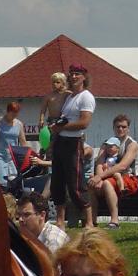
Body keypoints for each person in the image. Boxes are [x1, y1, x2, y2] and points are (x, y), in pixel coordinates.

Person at [49, 64, 95, 229]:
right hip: (60, 142)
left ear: (84, 77)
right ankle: (60, 221)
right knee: (57, 182)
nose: (74, 77)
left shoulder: (86, 97)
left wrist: (62, 127)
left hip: (74, 142)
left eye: (77, 74)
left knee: (76, 183)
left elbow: (84, 122)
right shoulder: (69, 97)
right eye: (72, 74)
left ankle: (89, 221)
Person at [88, 115, 138, 229]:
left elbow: (123, 166)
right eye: (118, 127)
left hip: (128, 178)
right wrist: (98, 178)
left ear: (128, 128)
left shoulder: (132, 144)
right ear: (113, 127)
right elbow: (100, 163)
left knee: (108, 183)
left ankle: (114, 221)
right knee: (91, 184)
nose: (120, 129)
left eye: (124, 127)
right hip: (108, 176)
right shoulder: (107, 143)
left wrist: (101, 177)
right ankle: (91, 221)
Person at [0, 102, 27, 188]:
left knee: (13, 183)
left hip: (12, 158)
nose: (15, 115)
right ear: (8, 111)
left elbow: (23, 142)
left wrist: (28, 155)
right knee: (2, 183)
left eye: (16, 113)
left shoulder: (19, 124)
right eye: (13, 113)